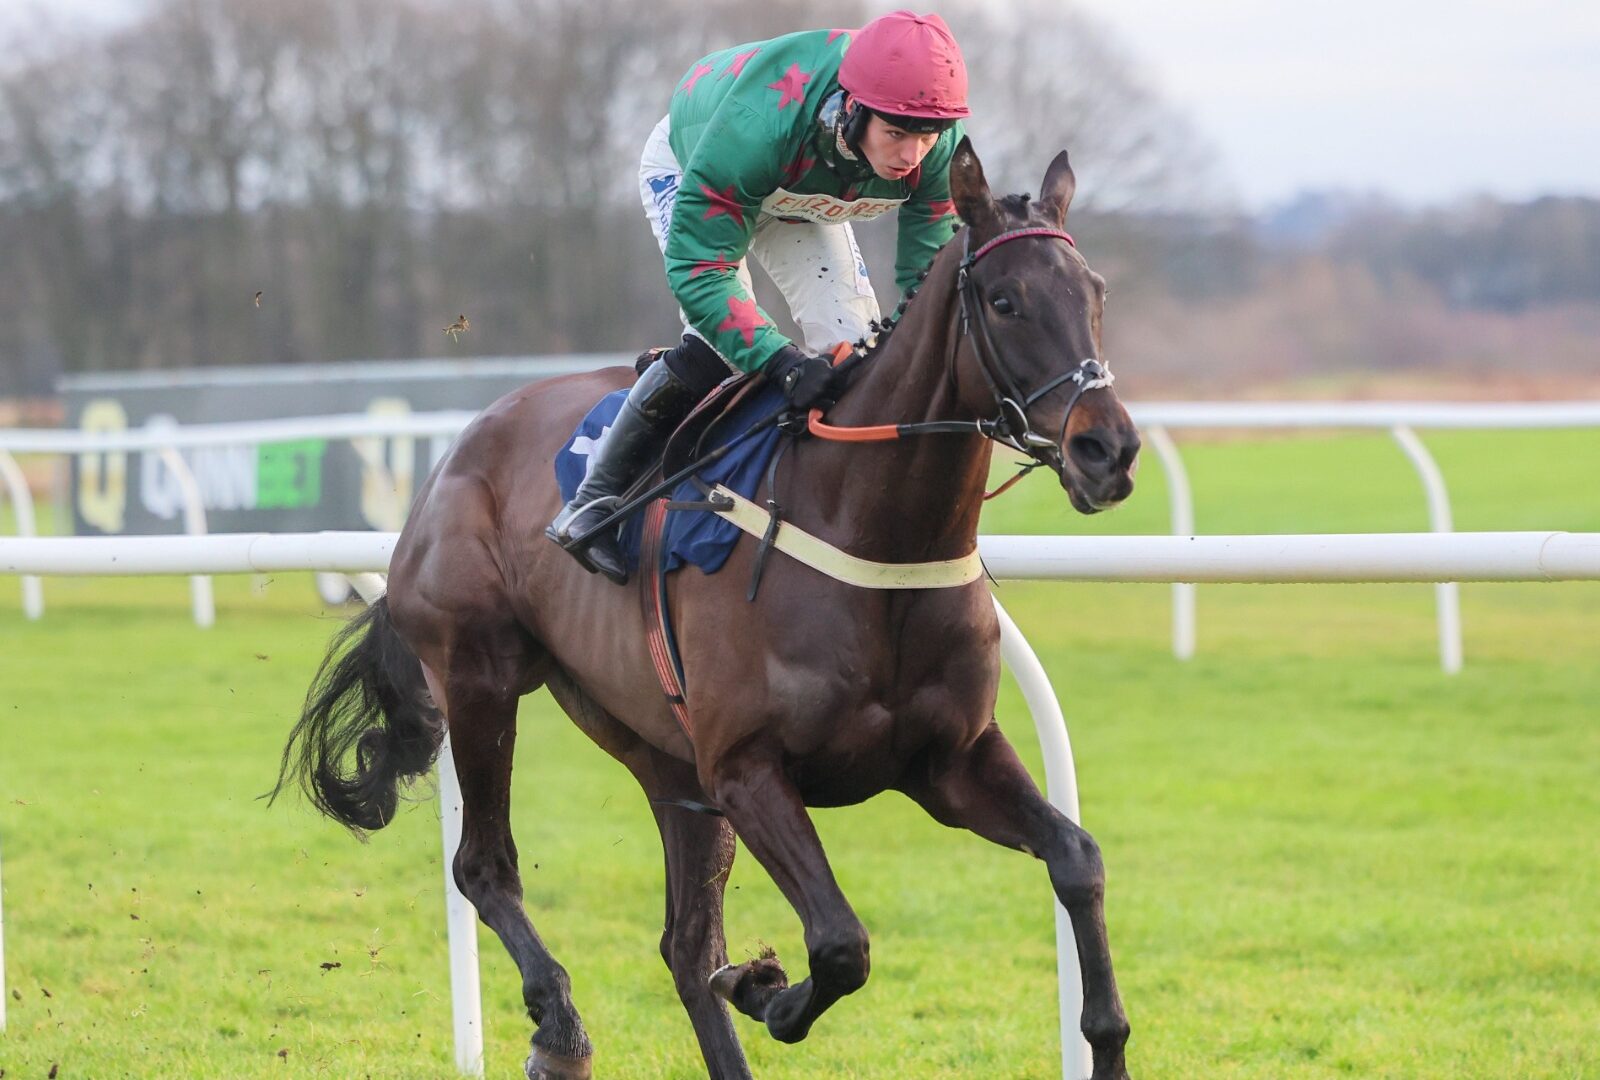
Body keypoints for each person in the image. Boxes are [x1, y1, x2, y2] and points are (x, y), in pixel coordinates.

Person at [547, 10, 970, 584]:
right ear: (852, 106)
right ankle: (592, 500)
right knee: (720, 344)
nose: (910, 157)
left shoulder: (937, 145)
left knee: (857, 348)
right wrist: (783, 364)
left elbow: (929, 281)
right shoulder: (754, 130)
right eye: (896, 134)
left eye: (925, 137)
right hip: (704, 158)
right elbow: (701, 274)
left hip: (802, 183)